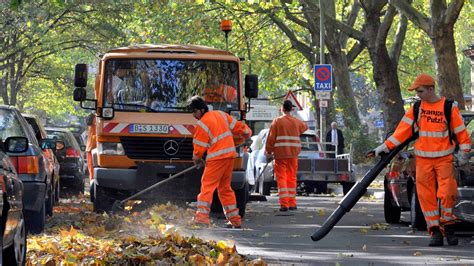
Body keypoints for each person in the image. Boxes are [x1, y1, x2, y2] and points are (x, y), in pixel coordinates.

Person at [367, 73, 471, 246]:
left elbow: (462, 134)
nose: (418, 95)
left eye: (420, 91)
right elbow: (400, 133)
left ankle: (449, 226)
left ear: (431, 89)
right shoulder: (416, 109)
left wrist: (463, 155)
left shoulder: (448, 107)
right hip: (423, 161)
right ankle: (435, 231)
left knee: (447, 194)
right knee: (426, 197)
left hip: (445, 159)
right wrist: (381, 149)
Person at [189, 96, 251, 228]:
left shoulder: (202, 125)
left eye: (194, 112)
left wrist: (197, 160)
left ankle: (202, 218)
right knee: (225, 189)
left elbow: (198, 149)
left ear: (201, 109)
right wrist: (247, 133)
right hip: (229, 158)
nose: (194, 115)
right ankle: (235, 220)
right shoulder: (221, 114)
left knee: (207, 187)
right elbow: (239, 127)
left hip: (216, 160)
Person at [265, 100, 308, 211]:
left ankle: (284, 204)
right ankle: (292, 203)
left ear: (282, 109)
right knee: (291, 178)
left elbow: (271, 138)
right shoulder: (296, 122)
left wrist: (268, 151)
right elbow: (305, 126)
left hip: (280, 155)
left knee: (282, 178)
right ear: (291, 109)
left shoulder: (277, 121)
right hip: (293, 154)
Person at [85, 113, 97, 181]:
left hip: (93, 147)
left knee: (92, 170)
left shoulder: (95, 117)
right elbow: (88, 121)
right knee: (92, 171)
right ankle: (92, 184)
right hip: (92, 148)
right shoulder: (93, 117)